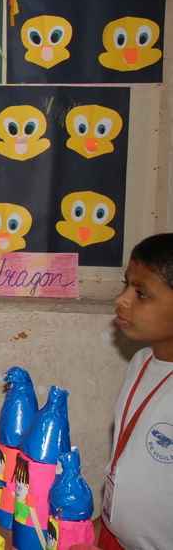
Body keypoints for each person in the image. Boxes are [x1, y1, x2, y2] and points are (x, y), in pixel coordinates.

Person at [96, 233, 173, 549]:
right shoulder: (141, 361)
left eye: (141, 293)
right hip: (115, 536)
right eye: (126, 285)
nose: (122, 300)